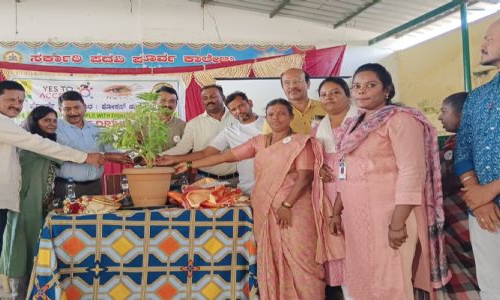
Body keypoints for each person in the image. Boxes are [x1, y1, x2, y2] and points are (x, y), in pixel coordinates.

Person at [0, 81, 105, 300]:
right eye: (11, 99)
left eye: (20, 100)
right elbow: (36, 144)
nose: (16, 105)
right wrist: (86, 157)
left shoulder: (3, 122)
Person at [174, 99, 326, 299]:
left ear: (291, 116)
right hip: (265, 207)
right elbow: (224, 157)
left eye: (281, 114)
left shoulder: (301, 142)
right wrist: (190, 164)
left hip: (294, 208)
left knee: (302, 259)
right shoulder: (259, 141)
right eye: (271, 114)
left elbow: (305, 177)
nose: (276, 118)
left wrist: (287, 204)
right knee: (271, 256)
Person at [330, 63, 449, 300]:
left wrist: (397, 224)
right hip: (357, 221)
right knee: (364, 278)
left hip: (390, 217)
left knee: (391, 281)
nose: (362, 91)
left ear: (387, 89)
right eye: (357, 86)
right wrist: (336, 212)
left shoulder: (401, 120)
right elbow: (346, 172)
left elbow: (412, 172)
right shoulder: (353, 124)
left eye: (370, 85)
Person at [454, 19, 500, 300]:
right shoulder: (478, 96)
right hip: (484, 214)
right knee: (492, 288)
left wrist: (489, 191)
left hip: (486, 200)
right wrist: (476, 193)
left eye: (489, 38)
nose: (482, 45)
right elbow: (463, 149)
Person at [0, 106, 63, 299]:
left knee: (36, 248)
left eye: (54, 120)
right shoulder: (31, 142)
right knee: (24, 248)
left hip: (41, 202)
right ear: (35, 123)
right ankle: (20, 295)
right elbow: (62, 155)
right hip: (25, 204)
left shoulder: (46, 142)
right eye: (46, 121)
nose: (51, 124)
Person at [157, 91, 264, 195]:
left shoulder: (270, 123)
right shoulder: (230, 132)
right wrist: (176, 160)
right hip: (246, 187)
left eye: (241, 106)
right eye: (233, 109)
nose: (239, 111)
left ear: (250, 103)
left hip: (268, 184)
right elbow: (208, 153)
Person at [313, 77, 357, 297]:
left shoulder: (361, 120)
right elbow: (315, 157)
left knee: (361, 240)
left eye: (335, 92)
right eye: (324, 94)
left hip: (358, 185)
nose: (329, 97)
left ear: (347, 94)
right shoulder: (318, 126)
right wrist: (318, 166)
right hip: (330, 190)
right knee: (340, 243)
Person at [437, 92, 480, 298]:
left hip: (467, 213)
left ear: (463, 113)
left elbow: (456, 177)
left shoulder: (468, 144)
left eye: (444, 111)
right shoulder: (455, 143)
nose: (439, 117)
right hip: (459, 217)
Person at [54, 91, 131, 199]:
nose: (73, 112)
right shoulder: (55, 129)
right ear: (60, 110)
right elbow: (65, 152)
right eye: (67, 109)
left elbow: (112, 153)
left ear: (85, 107)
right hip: (66, 187)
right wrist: (106, 156)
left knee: (95, 216)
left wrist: (132, 156)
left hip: (95, 187)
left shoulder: (98, 130)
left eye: (77, 107)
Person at [162, 84, 238, 181]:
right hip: (204, 180)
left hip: (236, 179)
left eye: (213, 97)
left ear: (223, 97)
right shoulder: (193, 124)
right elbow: (182, 148)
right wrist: (160, 157)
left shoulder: (237, 118)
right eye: (205, 98)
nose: (209, 100)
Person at [263, 68, 326, 135]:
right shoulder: (274, 115)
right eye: (287, 82)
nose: (292, 86)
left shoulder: (325, 108)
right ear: (282, 87)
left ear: (308, 84)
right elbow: (267, 143)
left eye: (298, 81)